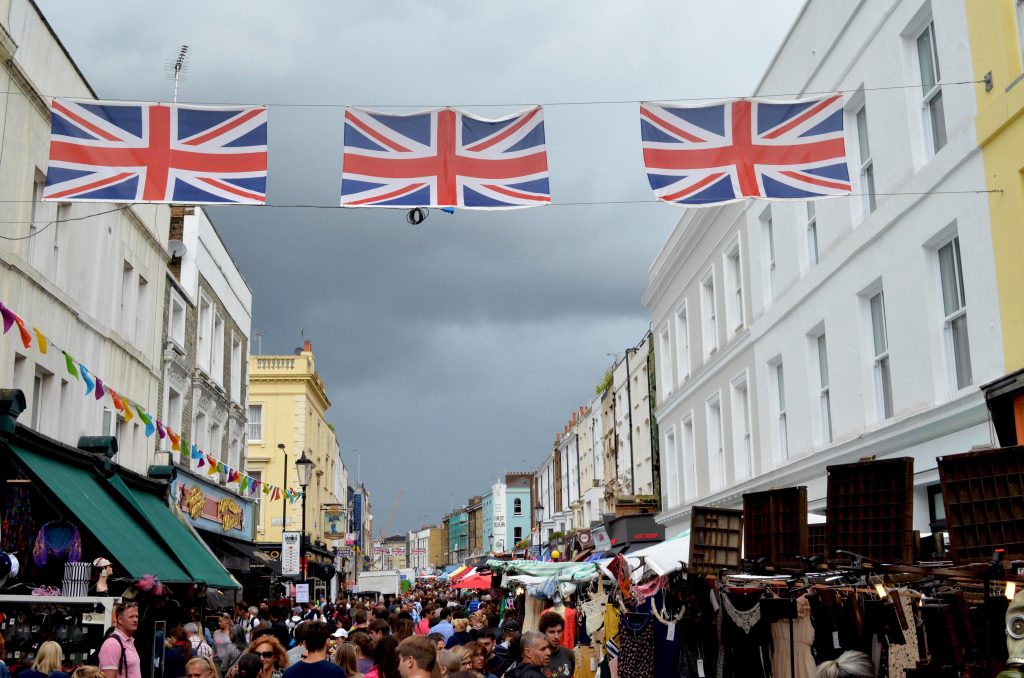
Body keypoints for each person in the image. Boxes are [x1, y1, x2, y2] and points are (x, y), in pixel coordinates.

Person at [100, 602, 142, 678]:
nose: (135, 620)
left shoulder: (129, 641)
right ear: (120, 619)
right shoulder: (112, 644)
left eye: (136, 616)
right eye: (131, 617)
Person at [537, 613, 573, 678]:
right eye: (552, 632)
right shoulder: (537, 657)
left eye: (559, 631)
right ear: (543, 633)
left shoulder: (569, 654)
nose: (556, 636)